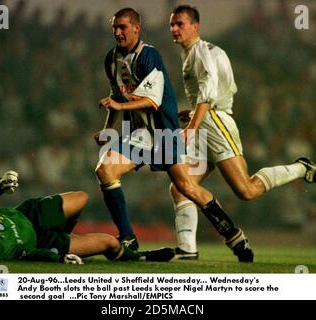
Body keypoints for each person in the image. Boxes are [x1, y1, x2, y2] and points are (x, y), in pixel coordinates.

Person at [168, 5, 316, 259]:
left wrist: (192, 126)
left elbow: (209, 92)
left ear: (195, 26)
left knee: (246, 190)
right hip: (205, 121)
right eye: (172, 24)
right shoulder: (194, 53)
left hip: (215, 123)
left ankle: (302, 168)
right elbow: (209, 93)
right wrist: (192, 116)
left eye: (180, 23)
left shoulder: (202, 52)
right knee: (181, 186)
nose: (174, 29)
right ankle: (188, 249)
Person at [95, 7, 253, 262]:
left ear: (136, 28)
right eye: (114, 27)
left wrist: (120, 107)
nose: (118, 32)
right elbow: (116, 96)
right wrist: (107, 130)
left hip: (165, 131)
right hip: (141, 134)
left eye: (123, 27)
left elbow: (152, 101)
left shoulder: (149, 56)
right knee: (105, 170)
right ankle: (127, 237)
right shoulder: (111, 59)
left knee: (187, 187)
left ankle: (234, 236)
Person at [0, 170, 175, 263]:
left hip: (30, 214)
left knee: (81, 197)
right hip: (45, 241)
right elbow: (29, 254)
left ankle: (63, 230)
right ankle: (138, 257)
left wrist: (0, 183)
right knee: (109, 242)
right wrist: (59, 257)